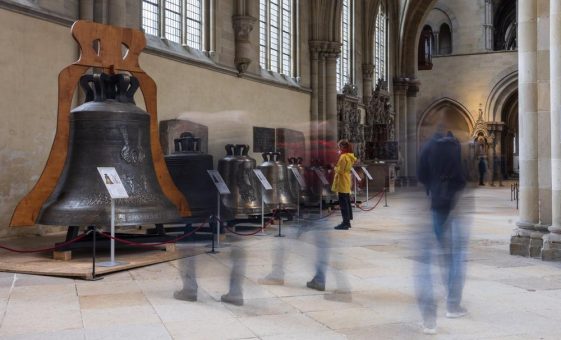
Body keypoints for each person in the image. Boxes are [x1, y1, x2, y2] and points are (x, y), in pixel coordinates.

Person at [416, 119, 469, 335]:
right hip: (453, 204)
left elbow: (421, 175)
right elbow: (462, 176)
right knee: (455, 255)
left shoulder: (429, 146)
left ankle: (430, 316)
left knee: (433, 254)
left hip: (436, 202)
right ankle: (453, 304)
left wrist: (431, 187)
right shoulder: (455, 147)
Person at [331, 139, 357, 230]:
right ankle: (348, 221)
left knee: (343, 203)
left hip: (342, 181)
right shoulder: (350, 156)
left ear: (342, 147)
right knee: (347, 201)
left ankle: (345, 223)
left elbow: (340, 170)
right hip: (346, 180)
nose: (338, 149)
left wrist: (334, 167)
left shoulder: (343, 157)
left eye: (339, 147)